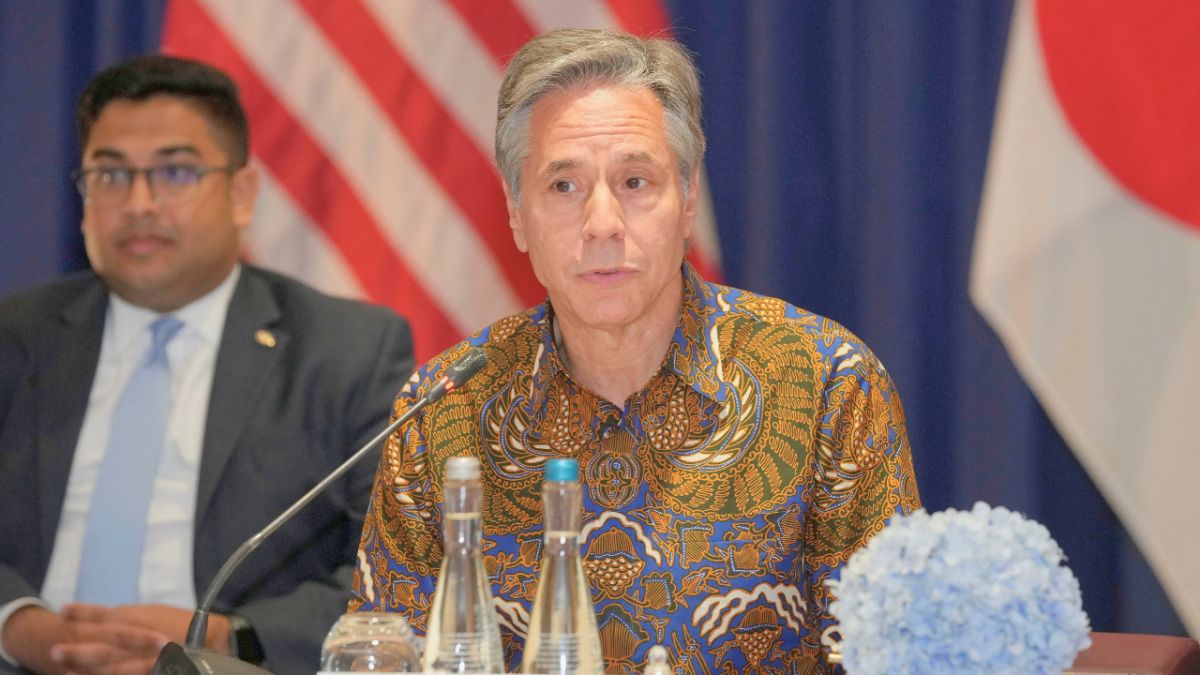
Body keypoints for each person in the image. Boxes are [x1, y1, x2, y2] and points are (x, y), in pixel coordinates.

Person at [349, 28, 919, 675]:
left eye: (635, 181)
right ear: (516, 213)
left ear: (688, 199)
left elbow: (894, 658)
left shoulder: (829, 384)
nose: (602, 224)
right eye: (564, 186)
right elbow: (381, 654)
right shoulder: (441, 412)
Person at [0, 56, 414, 675]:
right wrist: (16, 625)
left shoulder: (348, 351)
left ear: (241, 194)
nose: (139, 203)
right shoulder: (16, 336)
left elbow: (401, 567)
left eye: (175, 172)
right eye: (110, 175)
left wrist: (229, 639)